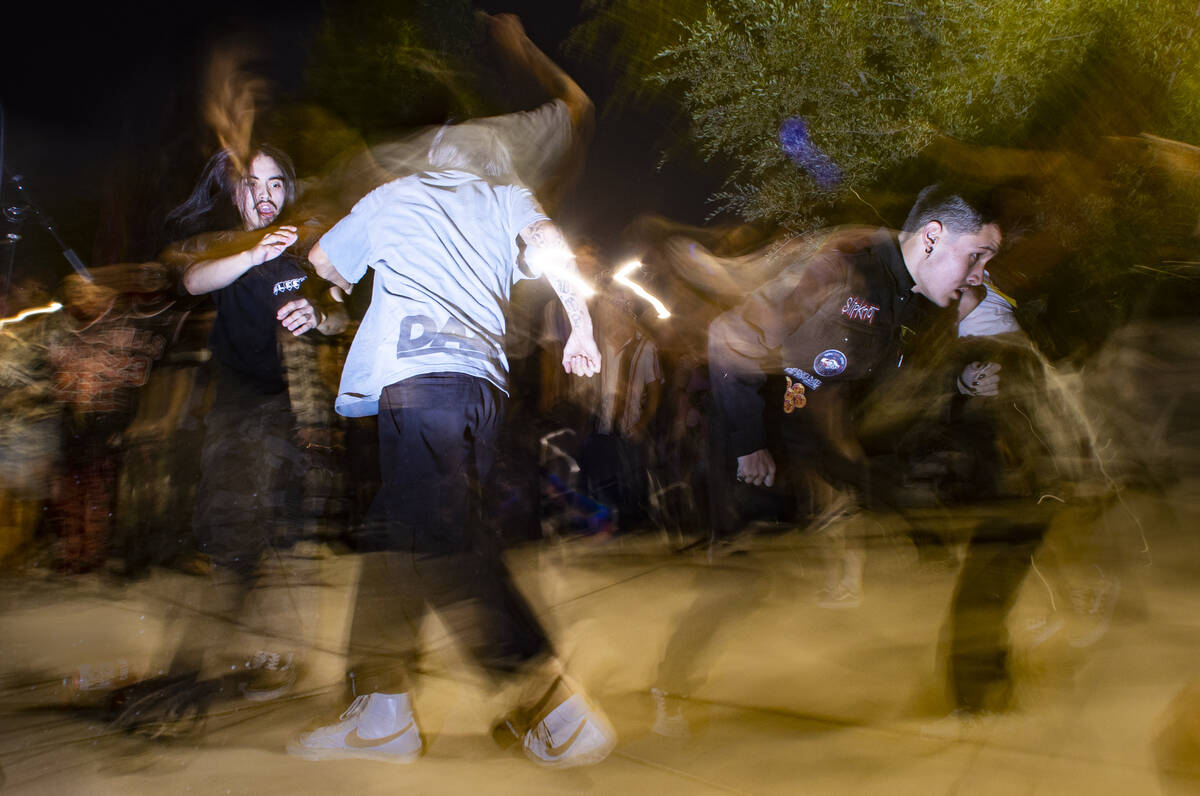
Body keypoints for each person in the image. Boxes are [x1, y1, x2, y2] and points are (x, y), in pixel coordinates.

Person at [289, 113, 613, 768]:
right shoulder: (502, 198)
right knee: (397, 534)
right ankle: (379, 708)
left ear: (432, 156)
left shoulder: (393, 197)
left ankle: (550, 697)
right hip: (480, 391)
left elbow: (322, 263)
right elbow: (551, 245)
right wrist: (580, 326)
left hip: (416, 383)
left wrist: (330, 288)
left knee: (438, 538)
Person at [154, 142, 345, 701]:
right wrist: (254, 254)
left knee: (279, 537)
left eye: (275, 184)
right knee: (234, 535)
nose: (265, 197)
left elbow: (338, 310)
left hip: (294, 415)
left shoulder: (304, 250)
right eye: (251, 185)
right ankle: (193, 666)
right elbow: (191, 281)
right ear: (232, 193)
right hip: (237, 413)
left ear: (289, 187)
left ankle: (266, 656)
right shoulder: (229, 248)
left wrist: (321, 314)